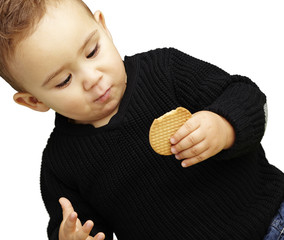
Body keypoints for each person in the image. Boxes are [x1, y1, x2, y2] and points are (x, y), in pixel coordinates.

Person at [1, 0, 284, 239]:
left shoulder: (165, 71)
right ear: (34, 101)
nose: (92, 78)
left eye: (92, 51)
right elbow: (81, 226)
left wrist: (223, 126)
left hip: (272, 220)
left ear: (104, 28)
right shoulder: (60, 165)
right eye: (63, 81)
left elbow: (249, 98)